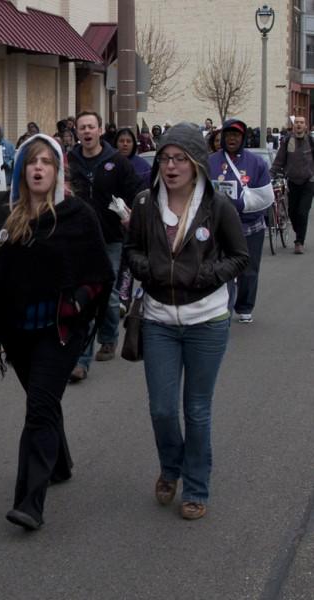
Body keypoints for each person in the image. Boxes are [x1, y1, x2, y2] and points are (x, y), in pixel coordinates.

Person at [0, 134, 113, 530]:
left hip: (59, 330)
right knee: (42, 402)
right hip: (17, 332)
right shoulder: (3, 212)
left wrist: (80, 299)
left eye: (47, 161)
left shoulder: (77, 215)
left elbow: (99, 272)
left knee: (39, 408)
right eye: (32, 161)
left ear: (58, 168)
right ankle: (59, 463)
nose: (39, 168)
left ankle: (30, 503)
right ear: (22, 170)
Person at [125, 122, 248, 520]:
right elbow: (132, 250)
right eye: (164, 157)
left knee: (196, 409)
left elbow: (239, 255)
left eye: (180, 158)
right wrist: (152, 270)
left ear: (196, 164)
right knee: (162, 409)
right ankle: (170, 466)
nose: (171, 166)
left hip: (207, 321)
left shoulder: (217, 205)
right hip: (159, 319)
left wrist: (203, 276)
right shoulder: (145, 204)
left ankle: (196, 486)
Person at [67, 111, 142, 381]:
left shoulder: (117, 162)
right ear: (77, 132)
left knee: (108, 294)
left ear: (99, 130)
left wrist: (131, 215)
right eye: (82, 127)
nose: (86, 131)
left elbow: (134, 192)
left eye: (91, 127)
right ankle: (81, 361)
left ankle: (109, 336)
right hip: (78, 239)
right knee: (85, 295)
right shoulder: (69, 161)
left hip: (110, 238)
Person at [208, 119, 273, 323]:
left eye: (236, 135)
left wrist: (238, 205)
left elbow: (265, 198)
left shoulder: (256, 163)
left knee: (249, 270)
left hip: (250, 227)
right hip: (220, 227)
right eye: (228, 135)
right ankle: (222, 306)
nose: (232, 138)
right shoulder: (210, 161)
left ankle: (245, 306)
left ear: (243, 138)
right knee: (222, 268)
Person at [270, 115, 314, 254]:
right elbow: (279, 160)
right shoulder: (287, 140)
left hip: (308, 182)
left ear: (306, 126)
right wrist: (270, 175)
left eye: (302, 123)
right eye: (297, 123)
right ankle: (298, 229)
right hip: (292, 182)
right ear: (294, 126)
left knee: (302, 212)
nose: (299, 125)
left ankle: (299, 242)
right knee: (292, 212)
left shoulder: (311, 141)